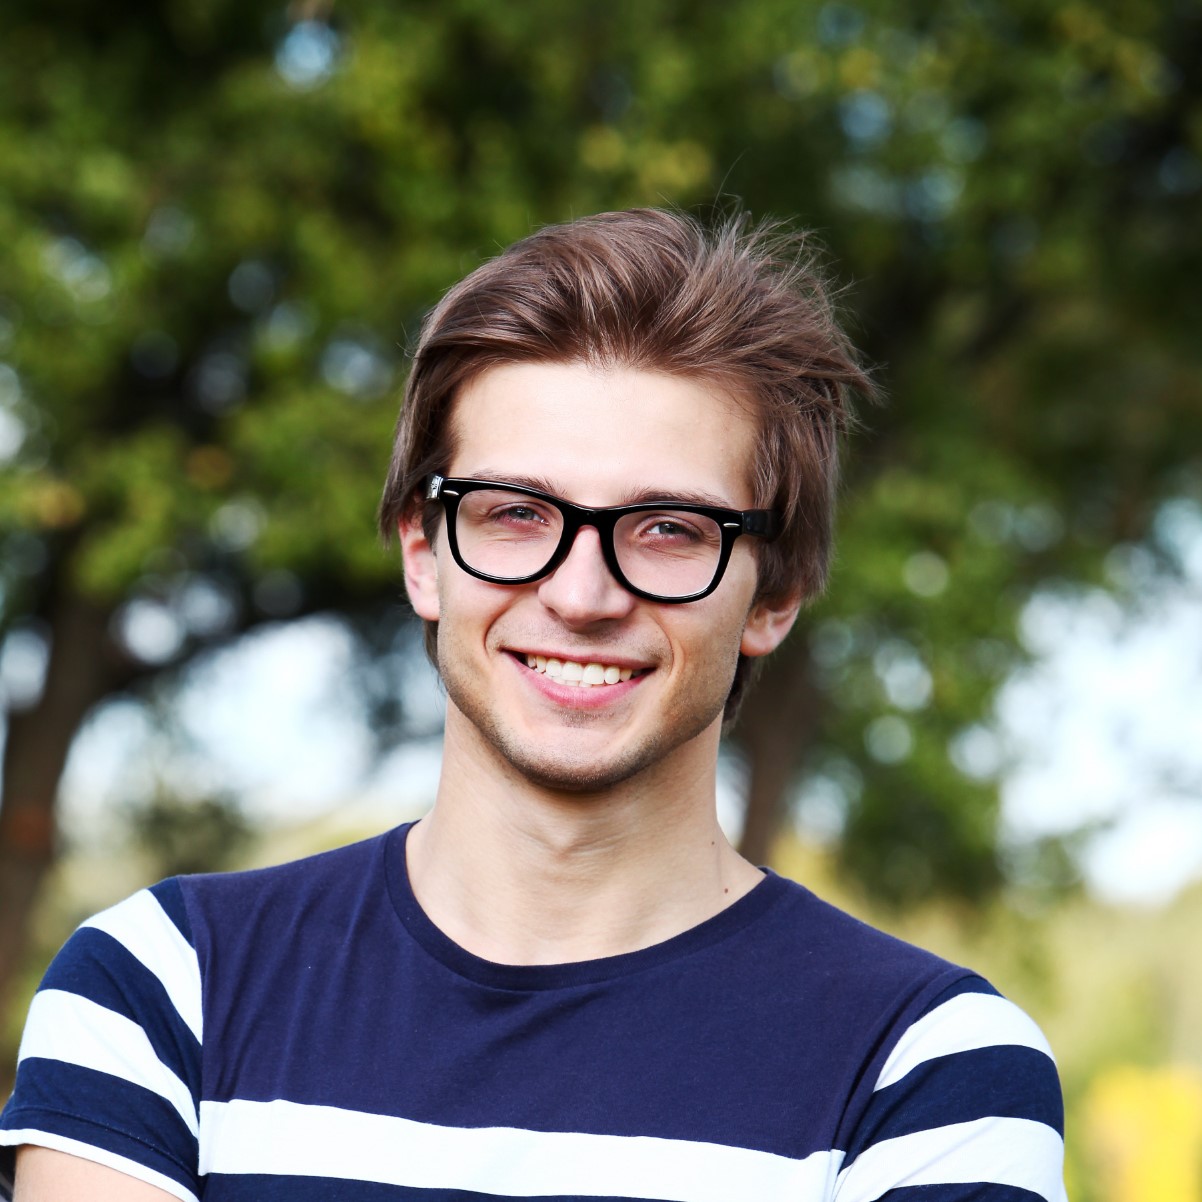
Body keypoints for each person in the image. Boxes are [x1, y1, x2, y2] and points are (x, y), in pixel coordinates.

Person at [0, 209, 1067, 1201]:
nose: (581, 595)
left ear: (773, 594)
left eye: (668, 528)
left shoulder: (929, 1071)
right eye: (514, 513)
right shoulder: (161, 988)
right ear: (424, 555)